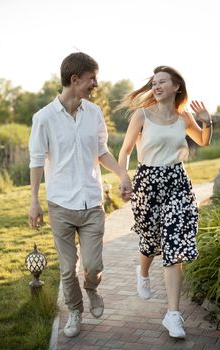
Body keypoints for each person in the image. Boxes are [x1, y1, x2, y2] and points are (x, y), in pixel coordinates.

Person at [28, 52, 132, 338]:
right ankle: (74, 311)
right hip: (60, 204)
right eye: (91, 78)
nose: (95, 84)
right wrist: (34, 201)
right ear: (75, 80)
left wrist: (121, 173)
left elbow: (101, 151)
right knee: (66, 269)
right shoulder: (44, 118)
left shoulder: (94, 113)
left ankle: (92, 289)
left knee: (93, 264)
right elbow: (36, 161)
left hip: (91, 202)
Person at [117, 65, 212, 339]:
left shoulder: (183, 117)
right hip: (147, 182)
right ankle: (143, 272)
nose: (156, 86)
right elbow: (123, 152)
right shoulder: (142, 115)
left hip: (177, 182)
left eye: (162, 82)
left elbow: (203, 141)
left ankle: (173, 315)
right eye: (154, 82)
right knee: (150, 241)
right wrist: (124, 177)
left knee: (174, 243)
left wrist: (207, 121)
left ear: (176, 87)